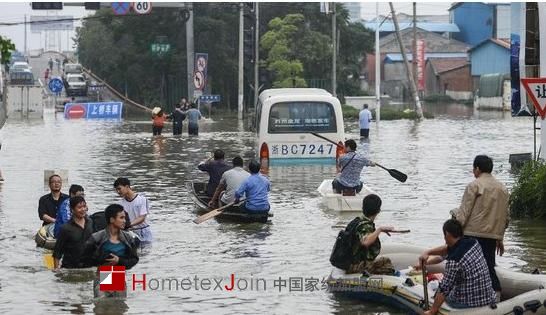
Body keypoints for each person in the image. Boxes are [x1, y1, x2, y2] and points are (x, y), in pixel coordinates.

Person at [450, 155, 509, 298]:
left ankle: (470, 297)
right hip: (492, 236)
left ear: (477, 168)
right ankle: (497, 296)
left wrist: (454, 228)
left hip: (472, 234)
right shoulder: (503, 188)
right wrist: (500, 238)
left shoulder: (474, 185)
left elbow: (464, 213)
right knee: (488, 266)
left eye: (473, 168)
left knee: (468, 267)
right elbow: (506, 217)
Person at [418, 219, 496, 314]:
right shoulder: (473, 242)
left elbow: (444, 290)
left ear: (447, 234)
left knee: (439, 290)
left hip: (467, 303)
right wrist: (428, 253)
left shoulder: (454, 261)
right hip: (488, 297)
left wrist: (432, 311)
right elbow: (446, 250)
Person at [347, 194, 395, 274]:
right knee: (387, 263)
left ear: (363, 208)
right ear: (378, 210)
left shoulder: (357, 221)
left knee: (384, 261)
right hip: (354, 266)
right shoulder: (364, 225)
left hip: (349, 262)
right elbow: (366, 242)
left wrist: (380, 231)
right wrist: (379, 230)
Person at [82, 204, 139, 269]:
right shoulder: (96, 238)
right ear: (112, 219)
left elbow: (134, 260)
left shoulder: (128, 238)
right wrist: (103, 259)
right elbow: (84, 258)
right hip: (102, 274)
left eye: (124, 218)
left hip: (120, 274)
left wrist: (119, 260)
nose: (124, 221)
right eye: (121, 218)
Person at [53, 196, 93, 269]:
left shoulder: (90, 222)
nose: (83, 209)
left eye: (84, 206)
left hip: (88, 266)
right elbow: (57, 252)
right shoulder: (66, 228)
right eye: (79, 207)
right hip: (70, 268)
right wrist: (56, 271)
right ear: (72, 210)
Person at [114, 177, 152, 244]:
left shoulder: (142, 199)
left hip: (144, 231)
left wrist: (128, 224)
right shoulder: (120, 204)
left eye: (119, 189)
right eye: (116, 190)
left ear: (127, 187)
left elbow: (142, 217)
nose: (118, 192)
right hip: (129, 233)